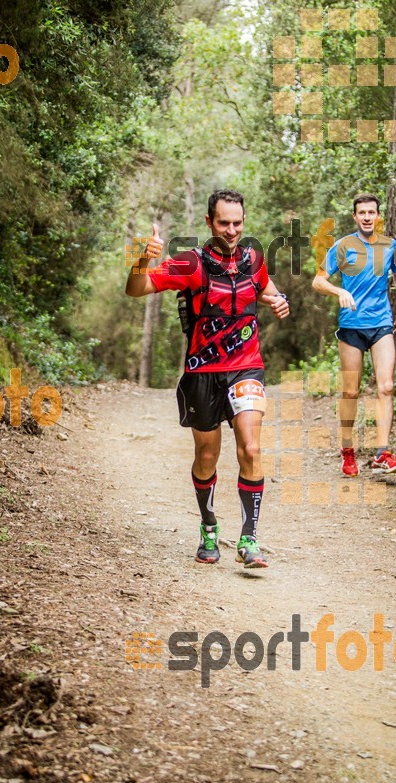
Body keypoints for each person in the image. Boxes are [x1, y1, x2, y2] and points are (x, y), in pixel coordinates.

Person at [125, 189, 289, 567]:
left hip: (246, 366)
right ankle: (209, 526)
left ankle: (249, 538)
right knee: (207, 455)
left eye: (238, 223)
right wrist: (142, 260)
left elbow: (266, 289)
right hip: (202, 371)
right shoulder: (190, 264)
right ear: (209, 223)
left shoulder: (254, 258)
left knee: (250, 448)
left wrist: (278, 300)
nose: (232, 230)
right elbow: (136, 289)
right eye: (224, 223)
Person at [311, 194, 396, 477]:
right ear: (354, 217)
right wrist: (340, 290)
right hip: (351, 327)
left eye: (371, 212)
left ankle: (382, 454)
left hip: (381, 325)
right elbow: (318, 281)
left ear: (379, 216)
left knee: (386, 386)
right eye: (361, 212)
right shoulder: (342, 246)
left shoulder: (391, 245)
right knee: (351, 391)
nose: (367, 216)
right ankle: (347, 449)